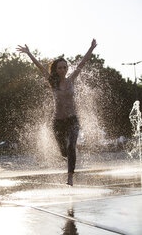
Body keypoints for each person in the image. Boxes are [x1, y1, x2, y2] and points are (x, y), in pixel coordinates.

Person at [16, 39, 97, 185]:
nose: (63, 69)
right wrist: (29, 53)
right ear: (56, 69)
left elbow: (82, 64)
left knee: (71, 146)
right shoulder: (52, 82)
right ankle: (68, 158)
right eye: (60, 67)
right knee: (64, 152)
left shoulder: (71, 80)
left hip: (72, 119)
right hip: (58, 122)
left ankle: (70, 176)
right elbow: (40, 67)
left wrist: (91, 49)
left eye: (65, 67)